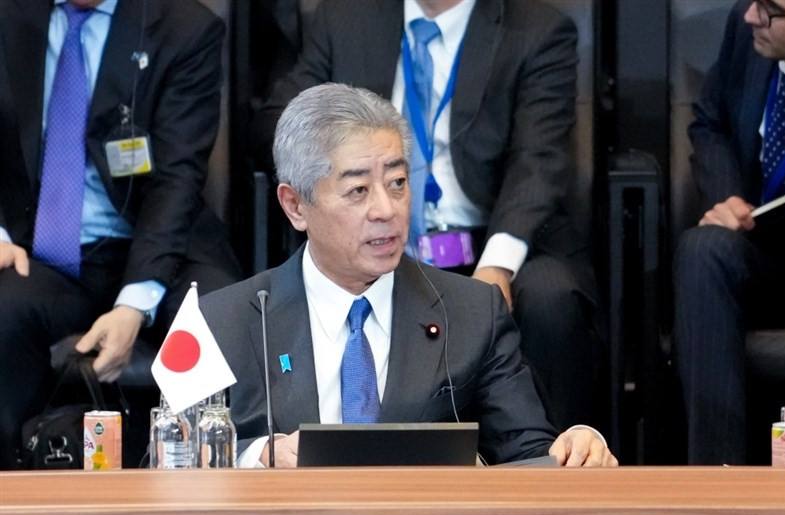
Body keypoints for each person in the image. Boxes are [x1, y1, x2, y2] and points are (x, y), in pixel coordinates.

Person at [202, 83, 617, 468]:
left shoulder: (472, 312)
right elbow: (166, 462)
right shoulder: (225, 322)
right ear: (295, 206)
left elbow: (528, 455)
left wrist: (577, 447)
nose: (387, 209)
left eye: (398, 182)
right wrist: (257, 455)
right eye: (358, 190)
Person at [250, 0, 604, 432]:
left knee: (551, 296)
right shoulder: (346, 17)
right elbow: (278, 122)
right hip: (369, 236)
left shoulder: (536, 29)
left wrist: (497, 265)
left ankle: (553, 458)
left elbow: (539, 161)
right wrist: (336, 149)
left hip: (485, 238)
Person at [0, 0, 241, 469]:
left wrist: (135, 303)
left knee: (216, 317)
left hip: (161, 243)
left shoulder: (185, 28)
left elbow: (177, 178)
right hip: (39, 248)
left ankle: (214, 501)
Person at [675, 0, 785, 465]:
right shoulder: (746, 33)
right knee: (702, 250)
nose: (751, 15)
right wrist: (725, 197)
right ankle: (716, 475)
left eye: (771, 9)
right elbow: (710, 123)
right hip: (760, 247)